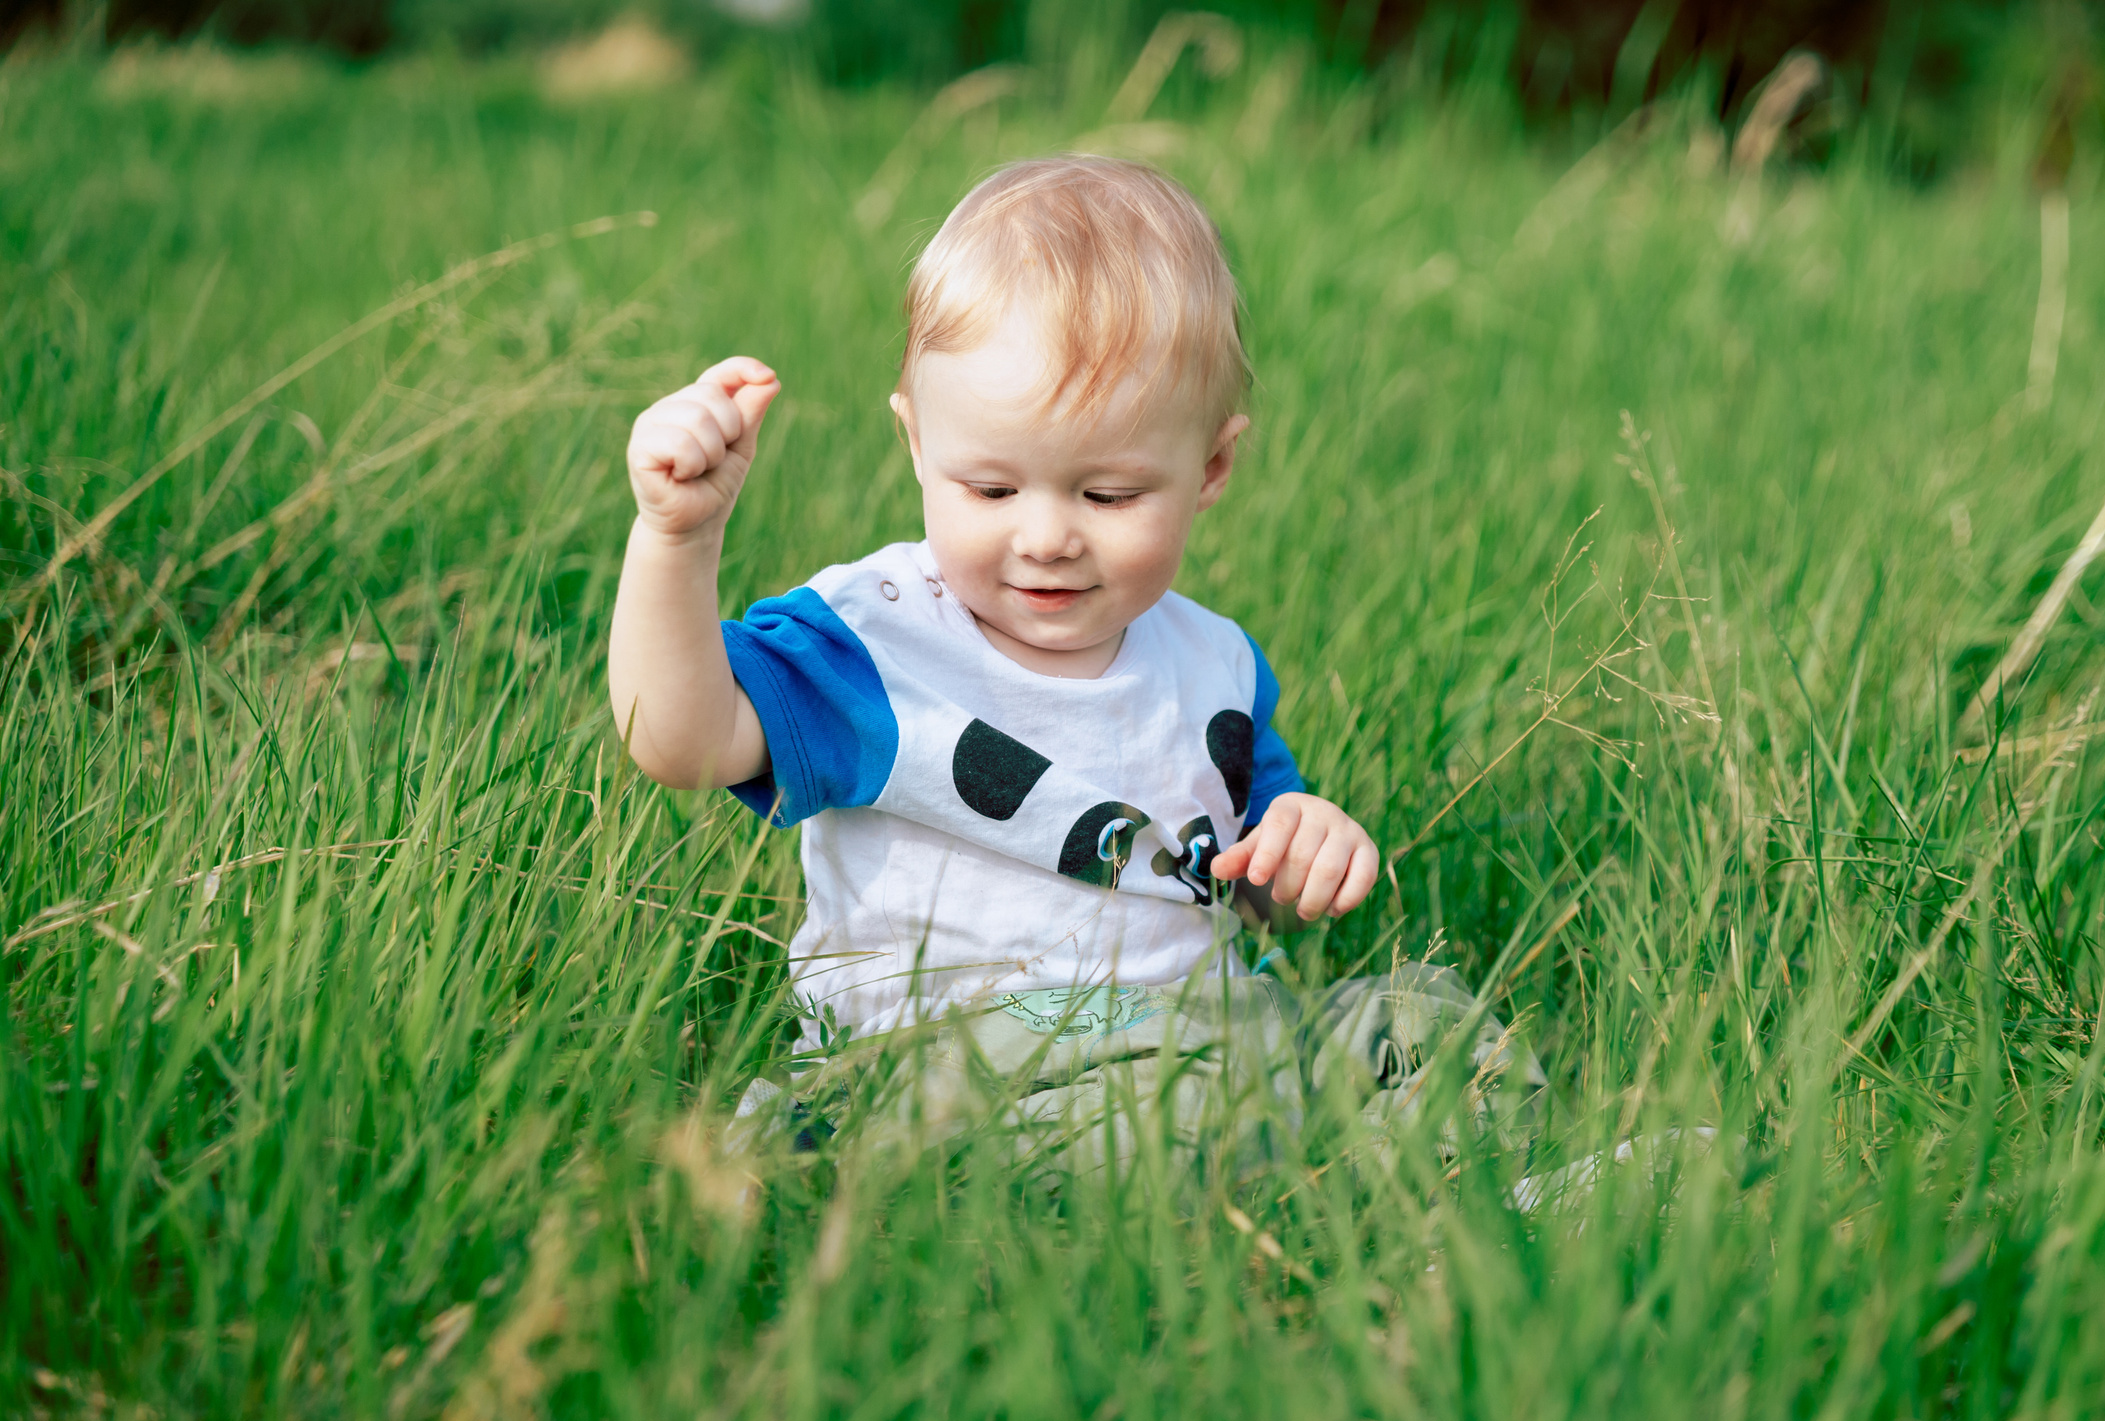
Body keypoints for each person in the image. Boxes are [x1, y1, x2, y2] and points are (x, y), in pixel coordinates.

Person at [610, 155, 1536, 1177]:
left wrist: (1299, 845)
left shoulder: (1211, 662)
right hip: (949, 1059)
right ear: (919, 447)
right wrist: (676, 542)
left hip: (1203, 1028)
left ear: (1211, 468)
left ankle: (1483, 1214)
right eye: (991, 489)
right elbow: (681, 741)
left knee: (1425, 1017)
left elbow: (1243, 879)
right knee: (1162, 1112)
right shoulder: (874, 645)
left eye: (1107, 496)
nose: (1046, 537)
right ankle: (1350, 1190)